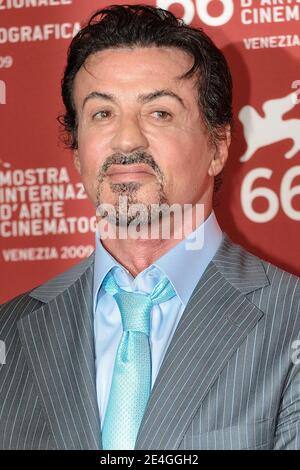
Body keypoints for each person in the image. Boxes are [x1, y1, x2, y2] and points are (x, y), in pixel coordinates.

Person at [0, 4, 299, 451]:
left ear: (218, 147)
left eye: (159, 112)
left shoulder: (291, 319)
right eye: (102, 114)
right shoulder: (10, 331)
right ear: (78, 152)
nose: (126, 140)